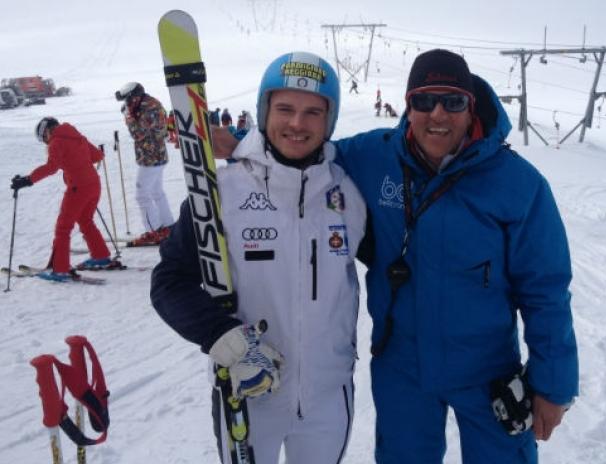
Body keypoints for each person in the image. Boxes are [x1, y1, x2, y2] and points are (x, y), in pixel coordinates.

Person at [214, 48, 578, 464]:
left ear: (471, 107)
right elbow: (303, 150)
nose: (437, 114)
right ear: (408, 106)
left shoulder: (518, 184)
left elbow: (546, 290)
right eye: (424, 100)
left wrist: (553, 385)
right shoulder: (375, 155)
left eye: (452, 101)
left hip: (487, 369)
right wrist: (241, 145)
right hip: (402, 366)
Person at [151, 51, 366, 464]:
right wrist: (222, 337)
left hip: (329, 395)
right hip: (248, 392)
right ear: (264, 112)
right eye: (284, 109)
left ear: (330, 120)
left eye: (313, 112)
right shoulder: (220, 193)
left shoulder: (349, 194)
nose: (297, 123)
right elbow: (169, 282)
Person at [10, 117, 121, 282]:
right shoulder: (76, 135)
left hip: (78, 189)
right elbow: (97, 156)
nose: (46, 143)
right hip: (94, 185)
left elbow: (51, 167)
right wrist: (75, 163)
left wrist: (28, 180)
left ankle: (60, 270)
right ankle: (100, 256)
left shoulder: (56, 142)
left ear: (47, 131)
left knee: (63, 228)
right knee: (85, 220)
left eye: (44, 139)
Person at [115, 82, 175, 246]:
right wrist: (131, 113)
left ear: (135, 97)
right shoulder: (146, 104)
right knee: (156, 192)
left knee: (142, 196)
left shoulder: (150, 108)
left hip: (151, 158)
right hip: (155, 156)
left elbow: (138, 133)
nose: (127, 104)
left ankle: (154, 231)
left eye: (128, 101)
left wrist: (128, 117)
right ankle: (168, 226)